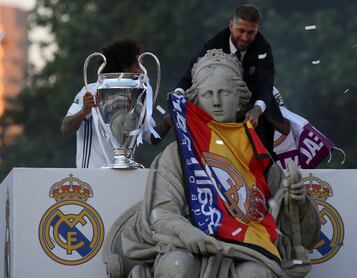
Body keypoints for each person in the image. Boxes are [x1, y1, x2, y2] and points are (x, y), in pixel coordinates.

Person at [113, 50, 320, 277]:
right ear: (197, 100)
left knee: (255, 274)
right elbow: (161, 212)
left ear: (239, 97)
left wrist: (297, 200)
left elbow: (301, 232)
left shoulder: (256, 152)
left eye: (224, 93)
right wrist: (187, 232)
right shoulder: (178, 153)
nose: (217, 101)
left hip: (246, 246)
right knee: (177, 266)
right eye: (208, 94)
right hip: (186, 245)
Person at [175, 4, 288, 158]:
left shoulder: (263, 48)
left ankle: (265, 161)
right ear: (231, 25)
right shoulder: (213, 44)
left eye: (251, 32)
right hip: (220, 104)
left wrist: (257, 109)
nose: (245, 38)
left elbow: (265, 84)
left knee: (263, 136)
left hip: (253, 103)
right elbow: (189, 76)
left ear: (257, 29)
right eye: (241, 31)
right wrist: (177, 95)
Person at [61, 39, 171, 168]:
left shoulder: (138, 96)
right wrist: (84, 111)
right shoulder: (90, 91)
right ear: (125, 67)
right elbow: (66, 128)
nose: (142, 71)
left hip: (124, 175)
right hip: (92, 177)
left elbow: (152, 138)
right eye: (138, 66)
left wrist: (169, 120)